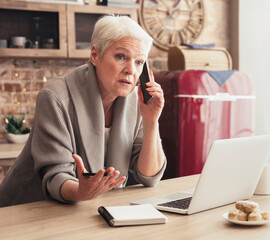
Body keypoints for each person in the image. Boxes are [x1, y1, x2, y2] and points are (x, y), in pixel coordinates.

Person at [0, 15, 166, 207]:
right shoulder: (54, 97)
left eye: (139, 62)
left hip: (88, 209)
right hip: (29, 211)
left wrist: (151, 120)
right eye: (121, 57)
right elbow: (56, 176)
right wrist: (82, 191)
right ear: (95, 55)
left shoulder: (137, 102)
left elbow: (148, 176)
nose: (131, 70)